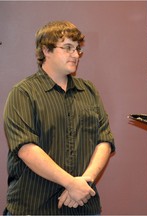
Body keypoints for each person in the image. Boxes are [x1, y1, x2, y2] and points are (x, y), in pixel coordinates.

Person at [3, 21, 115, 215]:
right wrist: (70, 183)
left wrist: (84, 183)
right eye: (68, 48)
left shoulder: (89, 91)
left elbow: (104, 141)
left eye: (77, 49)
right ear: (46, 50)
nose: (75, 55)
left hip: (84, 207)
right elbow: (26, 149)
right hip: (34, 208)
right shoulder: (23, 93)